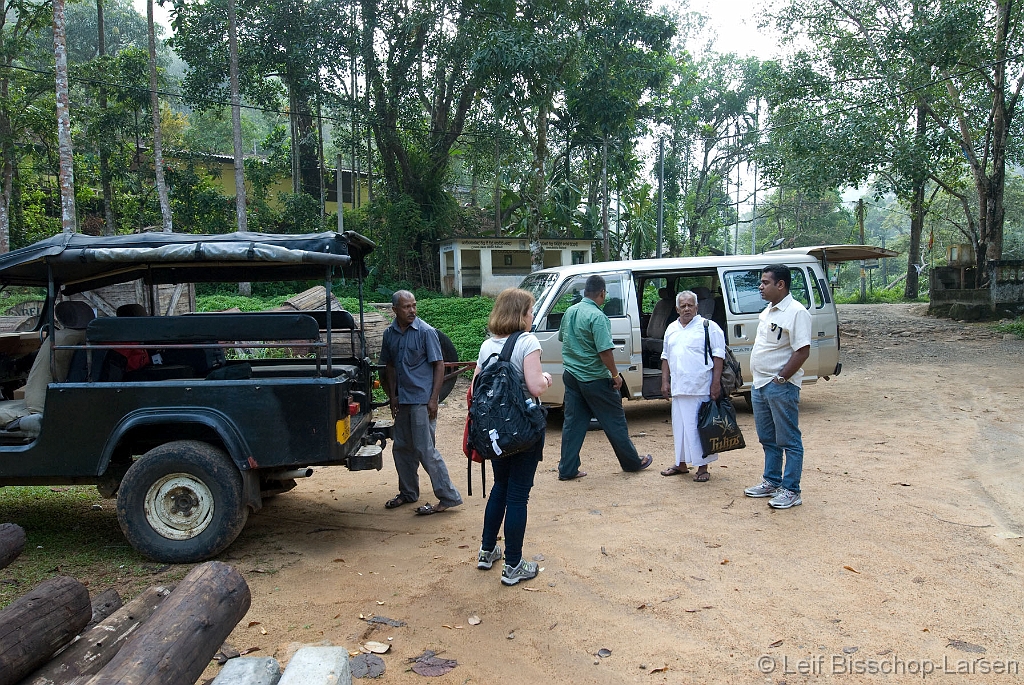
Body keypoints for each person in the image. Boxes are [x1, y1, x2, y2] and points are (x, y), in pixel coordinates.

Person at [473, 288, 553, 586]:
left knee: (500, 488)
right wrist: (546, 378)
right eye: (530, 311)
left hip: (495, 433)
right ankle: (514, 564)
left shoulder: (486, 345)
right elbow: (534, 386)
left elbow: (475, 386)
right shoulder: (527, 341)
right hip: (522, 431)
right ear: (520, 314)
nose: (532, 316)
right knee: (519, 495)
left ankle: (486, 550)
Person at [557, 274, 654, 480]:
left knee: (573, 424)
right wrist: (615, 375)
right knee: (614, 421)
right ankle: (631, 462)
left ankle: (567, 469)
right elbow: (605, 352)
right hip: (595, 378)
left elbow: (562, 338)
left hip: (572, 376)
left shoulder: (570, 311)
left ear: (585, 292)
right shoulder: (598, 317)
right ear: (602, 293)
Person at [379, 290, 463, 515]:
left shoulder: (426, 332)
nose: (412, 310)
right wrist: (392, 396)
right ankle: (408, 493)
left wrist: (433, 400)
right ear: (395, 310)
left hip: (421, 401)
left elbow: (439, 365)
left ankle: (448, 497)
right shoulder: (390, 334)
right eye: (406, 307)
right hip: (402, 400)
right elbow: (389, 366)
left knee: (425, 450)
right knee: (401, 448)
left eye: (414, 305)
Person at [743, 265, 812, 509]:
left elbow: (802, 350)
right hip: (760, 384)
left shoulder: (796, 312)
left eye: (765, 282)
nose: (760, 287)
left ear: (780, 284)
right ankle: (772, 480)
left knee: (789, 439)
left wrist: (782, 378)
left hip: (780, 386)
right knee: (767, 437)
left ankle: (791, 489)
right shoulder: (769, 311)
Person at [660, 290, 724, 482]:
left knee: (698, 428)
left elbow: (718, 355)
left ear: (697, 307)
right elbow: (665, 357)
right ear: (677, 308)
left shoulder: (708, 327)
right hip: (679, 388)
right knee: (680, 428)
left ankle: (702, 467)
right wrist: (665, 381)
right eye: (683, 305)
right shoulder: (671, 328)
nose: (686, 308)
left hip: (700, 387)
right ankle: (680, 464)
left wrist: (716, 383)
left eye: (690, 305)